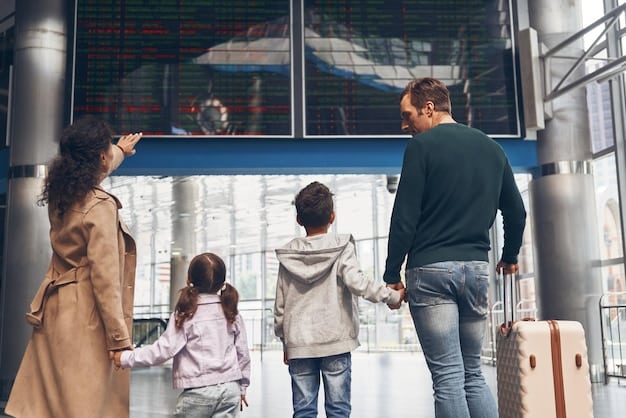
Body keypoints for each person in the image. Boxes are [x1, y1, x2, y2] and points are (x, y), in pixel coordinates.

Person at [383, 77, 526, 418]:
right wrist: (509, 256)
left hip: (431, 272)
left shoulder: (421, 147)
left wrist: (391, 273)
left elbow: (405, 217)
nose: (405, 125)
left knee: (448, 377)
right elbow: (516, 211)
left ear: (429, 108)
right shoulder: (492, 147)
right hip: (476, 273)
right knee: (472, 374)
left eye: (408, 115)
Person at [5, 115, 142, 418]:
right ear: (99, 158)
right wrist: (120, 341)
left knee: (52, 406)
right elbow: (105, 281)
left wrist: (119, 150)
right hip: (87, 320)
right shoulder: (99, 206)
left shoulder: (62, 193)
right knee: (83, 406)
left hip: (57, 312)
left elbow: (93, 171)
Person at [274, 181, 404, 418]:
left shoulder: (289, 256)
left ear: (299, 220)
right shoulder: (341, 248)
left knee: (303, 411)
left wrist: (286, 342)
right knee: (338, 410)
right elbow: (358, 283)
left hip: (300, 343)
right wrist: (392, 296)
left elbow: (280, 305)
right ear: (332, 216)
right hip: (336, 341)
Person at [111, 252, 251, 418]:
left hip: (198, 393)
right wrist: (242, 387)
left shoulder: (186, 314)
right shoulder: (232, 313)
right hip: (230, 390)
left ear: (188, 279)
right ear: (223, 283)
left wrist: (125, 358)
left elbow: (163, 351)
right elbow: (243, 354)